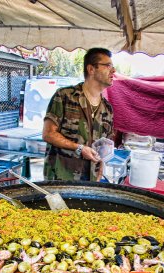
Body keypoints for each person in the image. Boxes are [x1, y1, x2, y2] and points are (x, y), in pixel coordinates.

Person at [42, 47, 115, 181]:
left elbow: (106, 143)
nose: (113, 71)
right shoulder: (65, 96)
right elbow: (48, 134)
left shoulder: (107, 108)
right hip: (61, 178)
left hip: (90, 181)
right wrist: (80, 148)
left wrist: (102, 166)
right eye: (108, 66)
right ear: (91, 69)